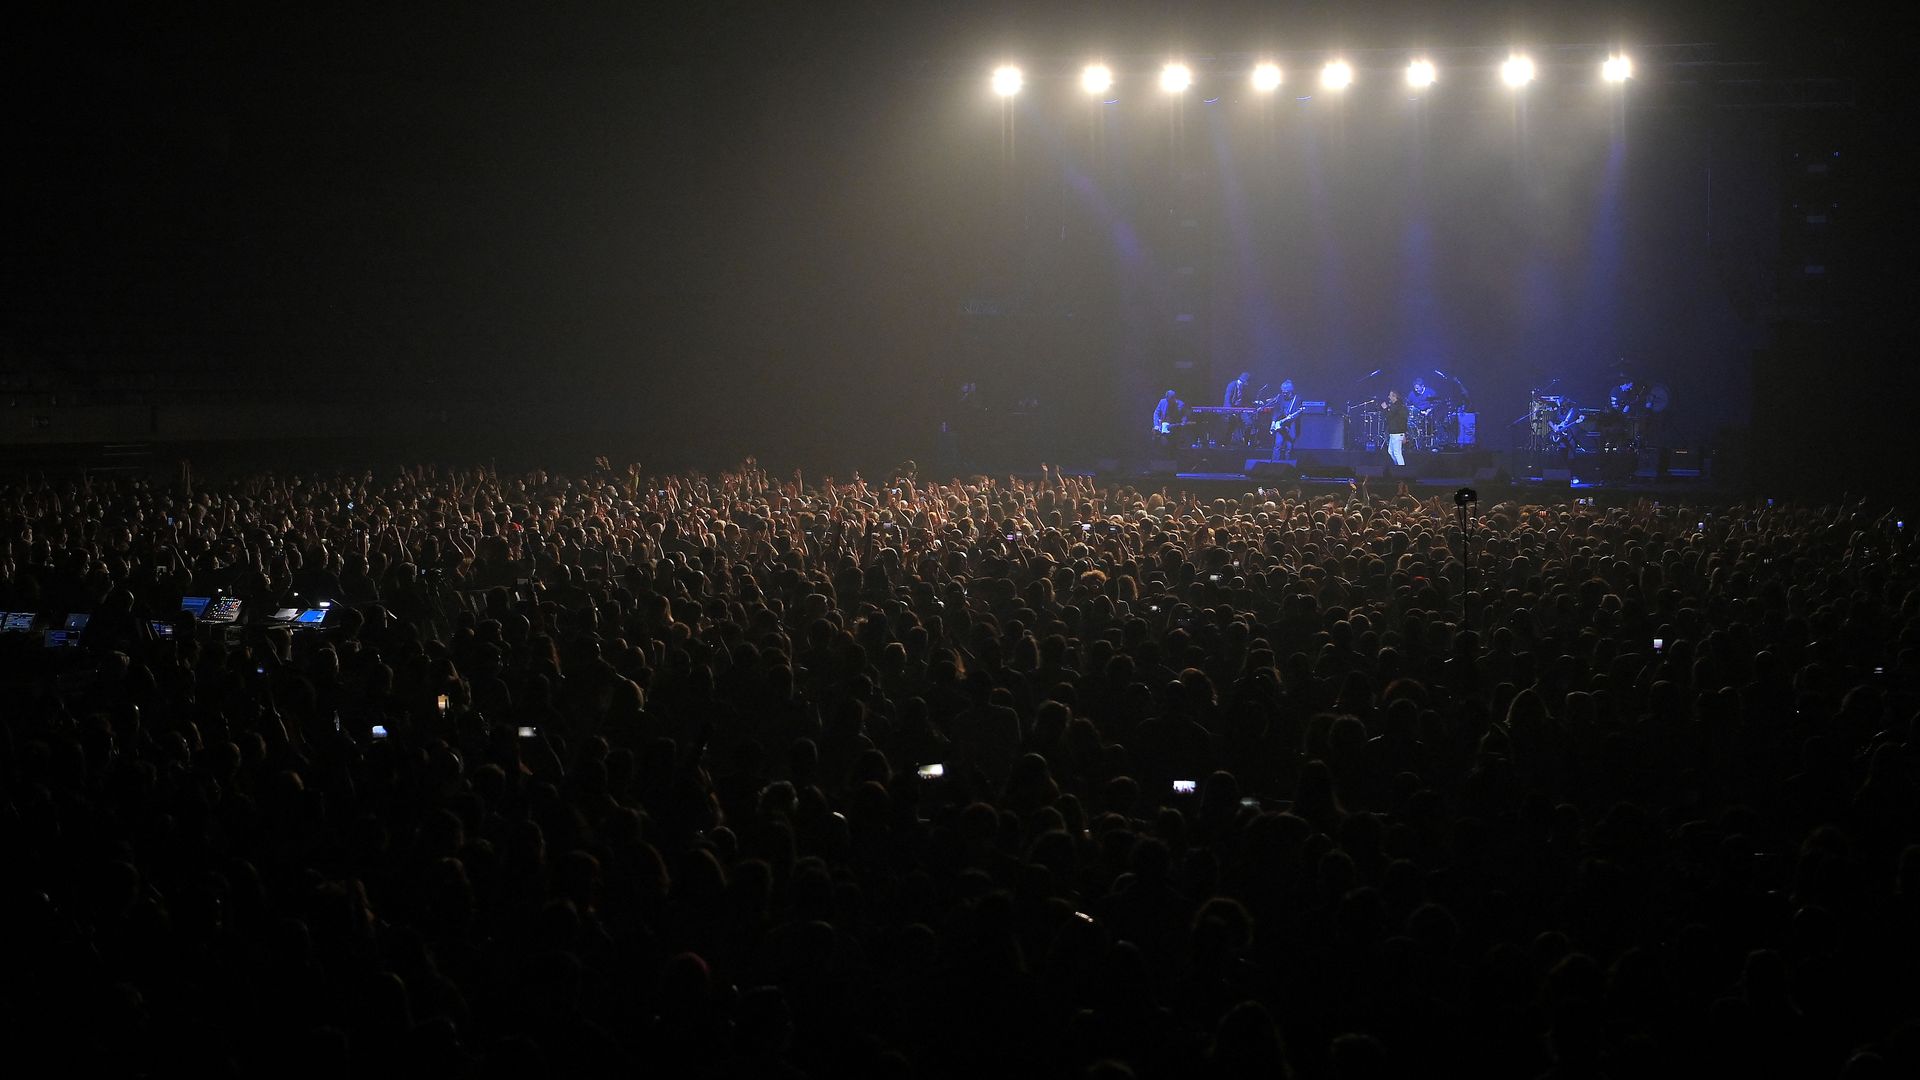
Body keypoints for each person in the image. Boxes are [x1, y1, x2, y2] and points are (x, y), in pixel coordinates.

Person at [1268, 379, 1302, 461]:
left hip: (1291, 425)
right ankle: (1274, 465)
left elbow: (1298, 413)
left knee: (1289, 447)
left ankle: (1288, 466)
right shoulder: (1280, 397)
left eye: (1285, 392)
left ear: (1291, 391)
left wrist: (1291, 418)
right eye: (1283, 391)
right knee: (1277, 445)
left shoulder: (1297, 399)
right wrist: (1273, 422)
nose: (1284, 393)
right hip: (1280, 424)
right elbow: (1276, 410)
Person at [1380, 388, 1408, 465]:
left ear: (1394, 396)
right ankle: (1397, 467)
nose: (1388, 397)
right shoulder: (1396, 406)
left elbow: (1389, 416)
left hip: (1397, 433)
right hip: (1394, 433)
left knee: (1397, 453)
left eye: (1390, 395)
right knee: (1391, 451)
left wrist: (1385, 409)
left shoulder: (1397, 406)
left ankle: (1401, 470)